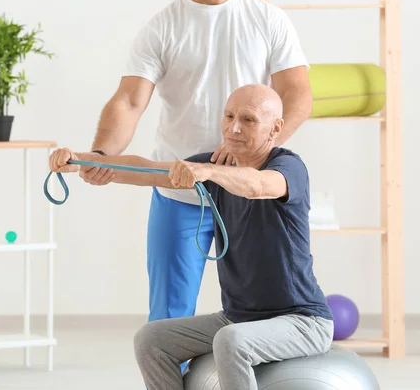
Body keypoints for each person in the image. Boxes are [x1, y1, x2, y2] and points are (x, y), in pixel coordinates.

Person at [49, 84, 332, 390]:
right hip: (238, 318)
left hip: (301, 321)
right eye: (228, 116)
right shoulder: (215, 166)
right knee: (152, 339)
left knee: (232, 341)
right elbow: (148, 171)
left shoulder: (288, 166)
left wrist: (208, 172)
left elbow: (257, 185)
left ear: (275, 128)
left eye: (248, 120)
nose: (233, 127)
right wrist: (82, 160)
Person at [79, 0, 313, 343]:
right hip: (181, 192)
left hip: (246, 195)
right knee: (166, 325)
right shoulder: (162, 27)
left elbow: (297, 94)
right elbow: (129, 100)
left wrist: (253, 154)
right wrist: (101, 154)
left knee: (263, 312)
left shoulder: (267, 19)